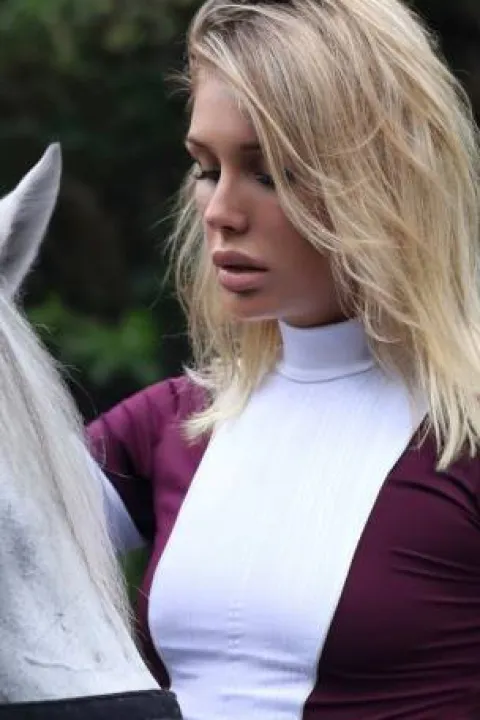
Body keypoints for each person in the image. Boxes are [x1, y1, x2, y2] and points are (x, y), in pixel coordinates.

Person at [87, 0, 480, 717]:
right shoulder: (176, 423)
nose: (219, 211)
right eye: (206, 168)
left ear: (383, 178)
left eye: (268, 172)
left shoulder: (464, 436)